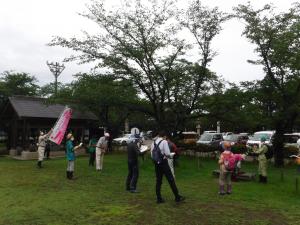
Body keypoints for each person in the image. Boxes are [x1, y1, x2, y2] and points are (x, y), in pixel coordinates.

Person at [151, 131, 185, 204]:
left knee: (158, 181)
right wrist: (171, 155)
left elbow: (152, 155)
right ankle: (177, 197)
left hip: (157, 164)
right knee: (171, 180)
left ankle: (159, 198)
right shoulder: (164, 142)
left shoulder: (153, 143)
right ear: (165, 136)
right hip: (164, 163)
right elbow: (167, 154)